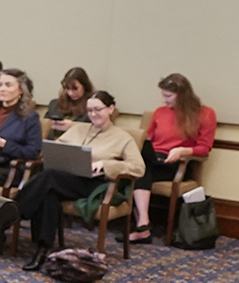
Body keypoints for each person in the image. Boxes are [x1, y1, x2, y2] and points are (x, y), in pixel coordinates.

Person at [13, 91, 144, 271]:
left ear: (111, 109)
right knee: (49, 194)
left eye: (98, 109)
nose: (93, 114)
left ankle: (11, 213)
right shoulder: (78, 128)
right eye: (89, 110)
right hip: (67, 179)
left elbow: (138, 167)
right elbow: (56, 149)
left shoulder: (122, 137)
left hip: (93, 185)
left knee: (49, 177)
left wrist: (106, 164)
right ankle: (43, 250)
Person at [130, 72, 216, 244]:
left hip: (177, 162)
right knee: (139, 165)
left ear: (182, 96)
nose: (164, 100)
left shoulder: (205, 114)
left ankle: (143, 227)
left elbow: (204, 148)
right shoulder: (160, 113)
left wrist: (183, 151)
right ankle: (143, 223)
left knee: (139, 169)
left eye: (168, 96)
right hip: (154, 159)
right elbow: (149, 139)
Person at [0, 67, 43, 187]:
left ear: (20, 90)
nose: (2, 89)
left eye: (8, 85)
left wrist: (3, 144)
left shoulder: (29, 117)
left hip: (5, 167)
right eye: (0, 85)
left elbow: (32, 152)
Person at [42, 66, 95, 136]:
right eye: (67, 88)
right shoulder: (55, 105)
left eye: (75, 89)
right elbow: (43, 125)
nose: (70, 93)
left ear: (84, 86)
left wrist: (72, 125)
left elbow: (95, 130)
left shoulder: (93, 107)